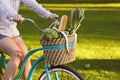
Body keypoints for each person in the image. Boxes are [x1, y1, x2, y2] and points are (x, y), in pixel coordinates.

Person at [0, 0, 58, 80]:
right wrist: (13, 15)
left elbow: (31, 3)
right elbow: (3, 4)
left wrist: (48, 14)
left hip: (11, 30)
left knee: (26, 58)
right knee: (16, 54)